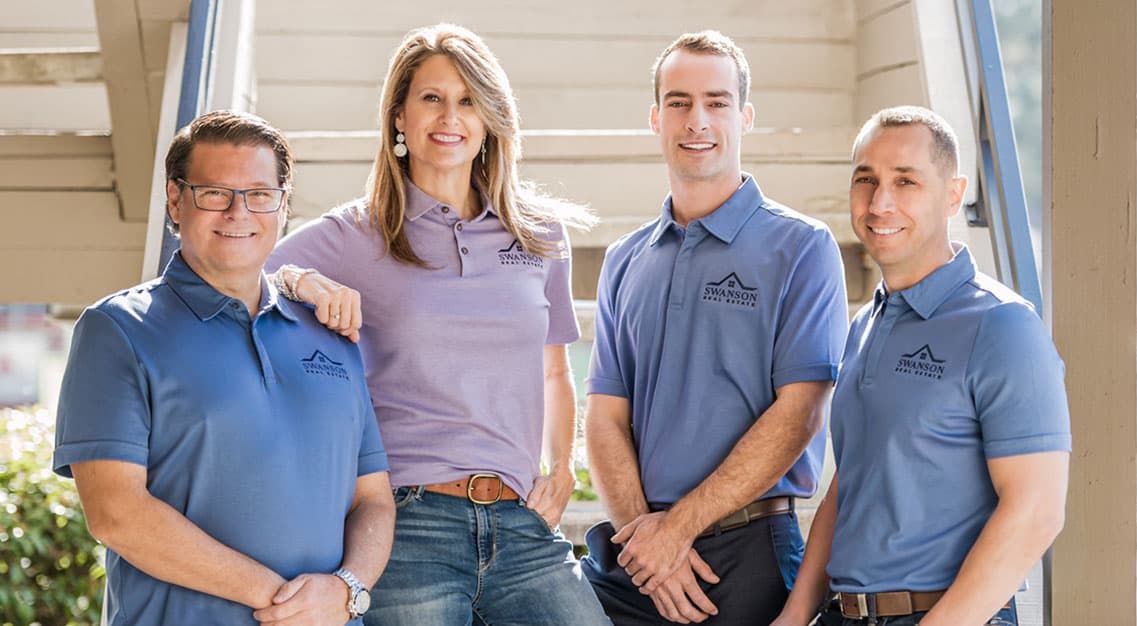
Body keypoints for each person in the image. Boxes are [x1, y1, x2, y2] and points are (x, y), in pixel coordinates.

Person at [266, 24, 610, 625]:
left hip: (521, 524)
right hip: (406, 524)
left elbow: (553, 370)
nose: (450, 116)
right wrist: (305, 281)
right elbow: (234, 272)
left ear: (489, 120)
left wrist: (563, 468)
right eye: (431, 97)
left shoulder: (539, 235)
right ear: (399, 116)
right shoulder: (357, 233)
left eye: (468, 100)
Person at [52, 110, 394, 625]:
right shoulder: (117, 330)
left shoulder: (332, 334)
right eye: (214, 193)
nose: (239, 213)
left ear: (283, 205)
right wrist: (285, 601)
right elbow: (117, 515)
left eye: (259, 194)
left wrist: (346, 591)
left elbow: (373, 500)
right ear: (175, 199)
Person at [580, 30, 850, 625]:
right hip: (640, 556)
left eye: (716, 102)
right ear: (656, 118)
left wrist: (679, 529)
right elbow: (604, 416)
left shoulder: (801, 247)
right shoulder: (625, 259)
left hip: (746, 552)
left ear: (744, 116)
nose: (696, 119)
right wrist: (650, 541)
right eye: (678, 102)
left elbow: (800, 412)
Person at [772, 106, 1072, 626]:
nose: (879, 202)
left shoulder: (1001, 325)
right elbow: (855, 479)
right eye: (866, 179)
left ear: (953, 194)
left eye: (905, 181)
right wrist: (796, 613)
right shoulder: (867, 322)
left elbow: (1036, 512)